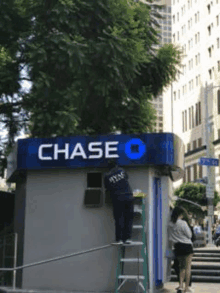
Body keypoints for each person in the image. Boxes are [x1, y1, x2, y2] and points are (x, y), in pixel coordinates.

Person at [104, 159, 134, 245]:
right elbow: (127, 178)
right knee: (128, 218)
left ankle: (119, 239)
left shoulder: (107, 176)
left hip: (118, 198)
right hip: (129, 197)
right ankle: (128, 238)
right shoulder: (122, 170)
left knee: (119, 219)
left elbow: (107, 188)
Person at [168, 206, 194, 293]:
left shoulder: (170, 224)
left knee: (181, 267)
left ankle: (180, 286)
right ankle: (187, 288)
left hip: (177, 247)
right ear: (180, 214)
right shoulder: (183, 223)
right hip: (187, 247)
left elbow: (170, 237)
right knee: (187, 268)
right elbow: (189, 235)